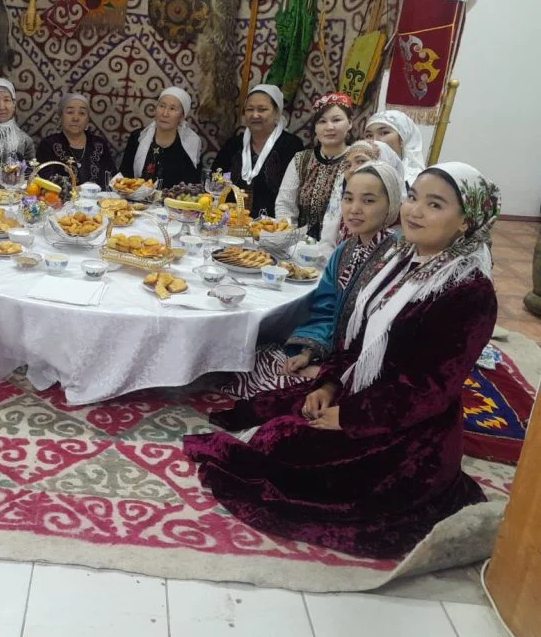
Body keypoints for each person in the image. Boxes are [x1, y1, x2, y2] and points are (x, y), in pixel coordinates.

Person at [184, 162, 501, 559]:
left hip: (409, 430)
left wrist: (351, 417)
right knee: (269, 416)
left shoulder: (468, 292)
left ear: (466, 221)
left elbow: (430, 389)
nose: (416, 211)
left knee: (287, 452)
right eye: (414, 197)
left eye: (435, 205)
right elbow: (359, 338)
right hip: (364, 393)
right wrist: (330, 384)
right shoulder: (402, 259)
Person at [221, 161, 402, 399]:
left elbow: (385, 333)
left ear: (391, 205)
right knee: (253, 362)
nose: (354, 209)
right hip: (331, 352)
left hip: (365, 366)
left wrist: (330, 373)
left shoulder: (396, 258)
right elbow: (326, 309)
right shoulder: (344, 251)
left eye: (368, 201)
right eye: (348, 199)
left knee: (273, 395)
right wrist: (308, 352)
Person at [212, 84, 303, 216]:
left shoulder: (291, 146)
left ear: (277, 113)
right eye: (250, 109)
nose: (255, 115)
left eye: (262, 109)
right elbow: (216, 178)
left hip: (273, 223)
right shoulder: (234, 144)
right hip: (230, 221)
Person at [275, 92, 354, 239]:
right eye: (322, 121)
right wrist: (290, 237)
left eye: (336, 120)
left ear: (349, 123)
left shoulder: (357, 160)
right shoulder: (302, 159)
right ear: (315, 128)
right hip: (299, 244)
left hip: (340, 245)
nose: (329, 127)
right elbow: (285, 204)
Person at [317, 140, 404, 256]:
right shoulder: (344, 247)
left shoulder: (396, 248)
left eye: (361, 161)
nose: (352, 169)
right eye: (347, 165)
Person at [118, 87, 202, 188]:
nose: (165, 114)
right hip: (136, 197)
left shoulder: (191, 145)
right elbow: (124, 179)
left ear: (182, 116)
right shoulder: (138, 137)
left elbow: (194, 186)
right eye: (161, 106)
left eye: (172, 109)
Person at [37, 93, 116, 186]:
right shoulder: (48, 144)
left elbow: (113, 178)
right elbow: (44, 181)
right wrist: (75, 190)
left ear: (88, 119)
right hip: (62, 196)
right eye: (70, 112)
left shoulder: (99, 144)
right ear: (60, 116)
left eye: (82, 113)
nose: (75, 118)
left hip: (100, 196)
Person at [365, 109, 426, 189]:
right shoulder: (357, 170)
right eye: (369, 136)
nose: (375, 140)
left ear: (403, 138)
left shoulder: (416, 182)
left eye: (384, 133)